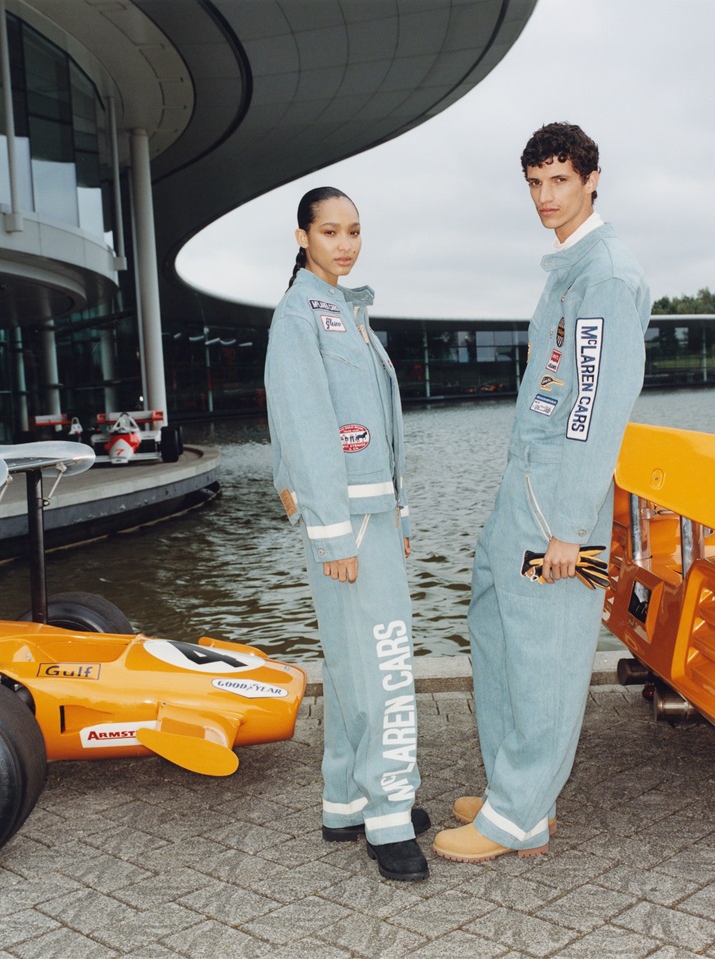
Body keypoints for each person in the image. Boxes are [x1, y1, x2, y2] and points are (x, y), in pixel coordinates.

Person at [433, 123, 651, 863]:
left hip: (561, 500)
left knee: (547, 650)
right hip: (524, 485)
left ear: (592, 179)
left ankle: (522, 815)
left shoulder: (606, 277)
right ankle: (515, 788)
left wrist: (567, 524)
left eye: (559, 181)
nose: (545, 197)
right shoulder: (567, 268)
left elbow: (595, 406)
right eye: (534, 182)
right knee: (497, 627)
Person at [264, 187, 429, 881]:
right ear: (302, 236)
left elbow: (377, 433)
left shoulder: (344, 308)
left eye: (354, 230)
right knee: (387, 666)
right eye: (330, 231)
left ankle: (345, 798)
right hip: (348, 525)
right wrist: (333, 534)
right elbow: (300, 430)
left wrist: (401, 519)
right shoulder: (302, 314)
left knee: (354, 667)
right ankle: (388, 815)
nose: (345, 242)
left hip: (370, 518)